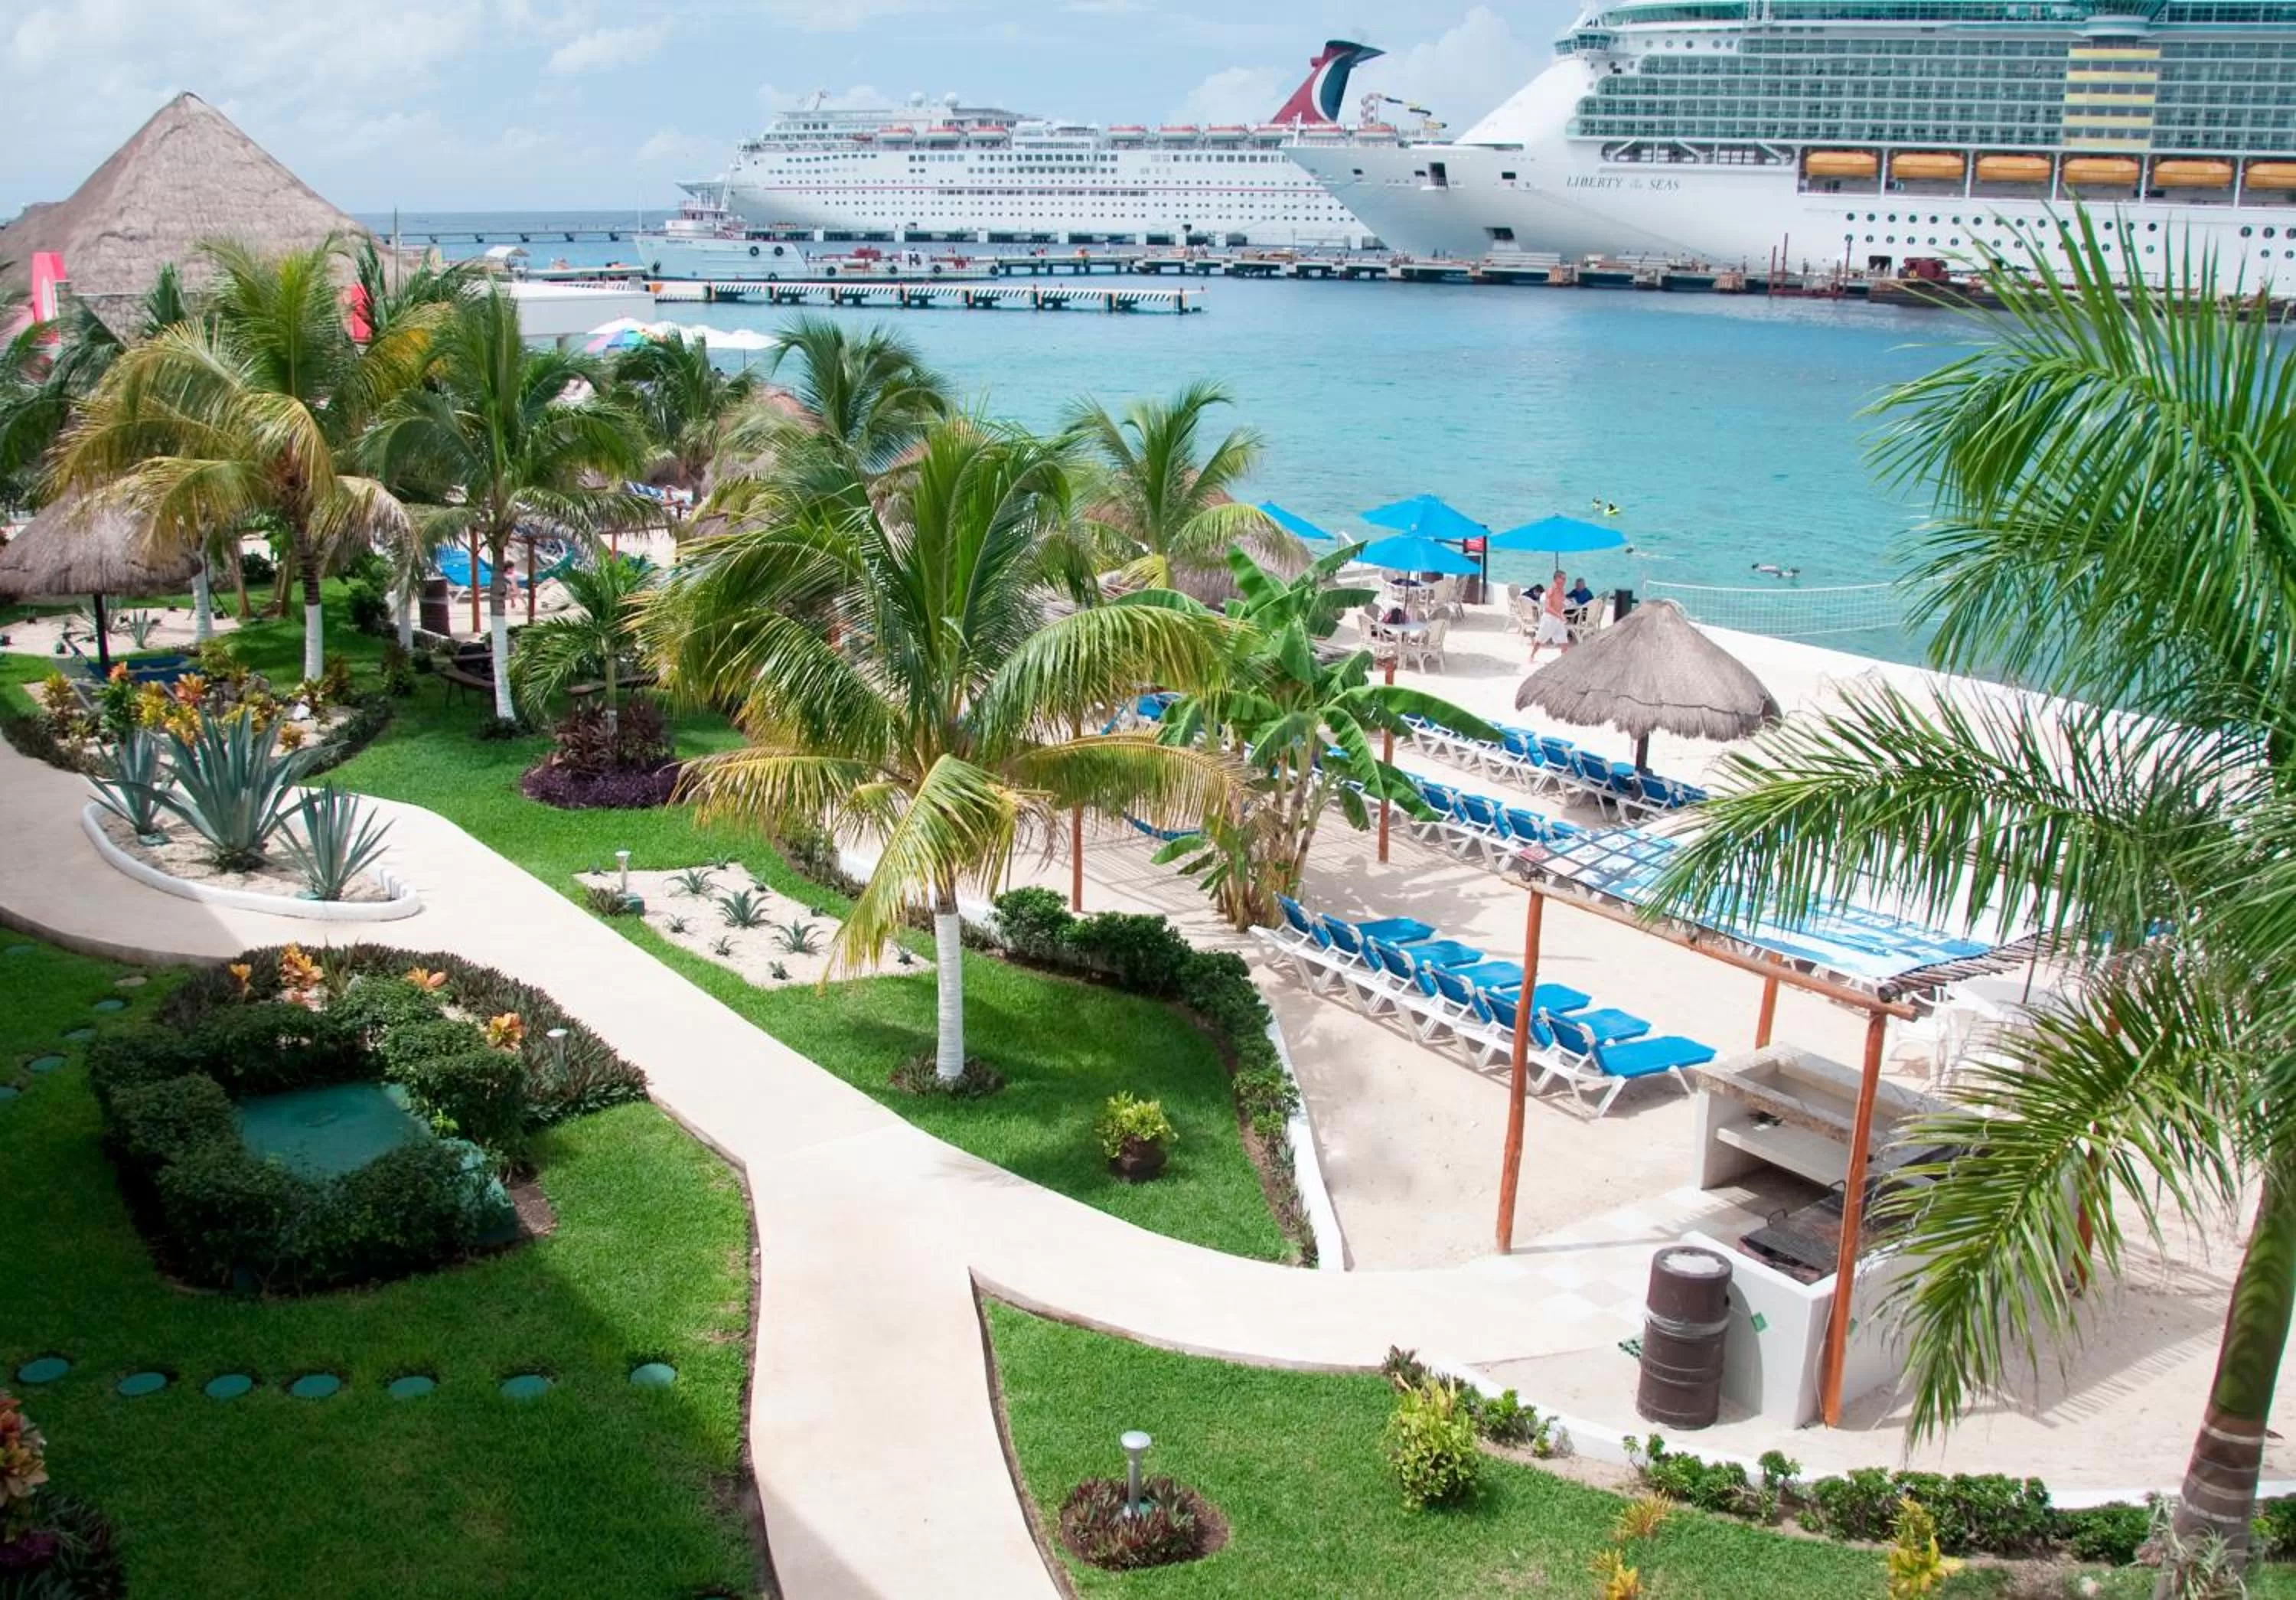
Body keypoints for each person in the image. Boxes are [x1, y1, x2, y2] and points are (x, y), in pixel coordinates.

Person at [1529, 568, 1572, 660]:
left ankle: (1564, 661)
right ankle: (1531, 656)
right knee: (1540, 640)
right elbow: (1548, 608)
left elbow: (1560, 604)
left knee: (1564, 642)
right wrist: (1559, 615)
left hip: (1558, 619)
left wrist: (1562, 613)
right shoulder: (1551, 590)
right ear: (1557, 579)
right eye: (1563, 578)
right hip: (1549, 619)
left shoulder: (1562, 590)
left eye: (1565, 579)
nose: (1565, 581)